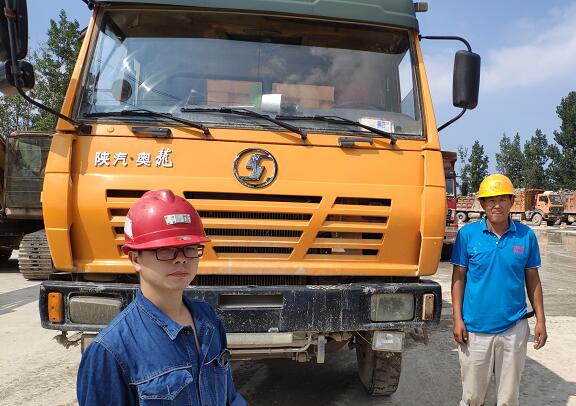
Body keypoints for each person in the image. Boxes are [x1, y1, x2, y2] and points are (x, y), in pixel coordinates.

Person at [77, 189, 246, 405]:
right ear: (135, 259)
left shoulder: (208, 320)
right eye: (165, 250)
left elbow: (229, 397)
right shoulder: (110, 350)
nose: (181, 259)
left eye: (189, 248)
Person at [450, 174, 547, 406]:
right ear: (482, 204)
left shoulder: (526, 236)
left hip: (513, 328)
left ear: (512, 202)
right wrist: (457, 319)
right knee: (472, 397)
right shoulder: (467, 235)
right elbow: (458, 278)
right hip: (474, 328)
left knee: (508, 398)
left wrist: (541, 320)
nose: (497, 205)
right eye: (491, 200)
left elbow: (533, 280)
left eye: (503, 199)